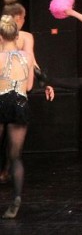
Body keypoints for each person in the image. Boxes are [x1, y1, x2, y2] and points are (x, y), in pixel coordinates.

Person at [0, 0, 55, 185]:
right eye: (24, 17)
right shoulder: (24, 36)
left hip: (11, 88)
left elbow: (32, 62)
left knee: (10, 134)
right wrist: (43, 82)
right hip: (16, 88)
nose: (24, 20)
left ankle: (6, 169)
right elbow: (32, 63)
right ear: (18, 18)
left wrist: (44, 82)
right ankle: (6, 169)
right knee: (11, 134)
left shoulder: (24, 37)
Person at [0, 15, 35, 218]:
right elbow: (29, 86)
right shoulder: (27, 57)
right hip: (20, 105)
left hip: (1, 102)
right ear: (16, 35)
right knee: (15, 157)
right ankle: (16, 199)